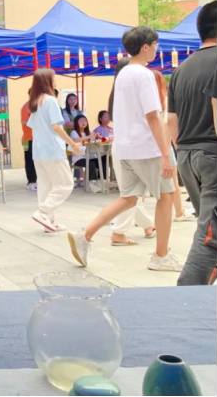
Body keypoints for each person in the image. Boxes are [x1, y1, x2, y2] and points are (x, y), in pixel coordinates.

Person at [69, 27, 181, 272]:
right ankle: (161, 256)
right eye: (155, 44)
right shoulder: (144, 75)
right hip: (146, 148)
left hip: (125, 148)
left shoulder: (123, 74)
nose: (156, 49)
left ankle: (85, 235)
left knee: (128, 198)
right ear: (145, 47)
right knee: (166, 196)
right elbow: (152, 116)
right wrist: (165, 154)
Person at [168, 0, 217, 286]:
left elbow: (171, 122)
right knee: (211, 238)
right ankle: (186, 298)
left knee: (208, 228)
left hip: (187, 155)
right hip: (211, 156)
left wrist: (184, 153)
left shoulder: (182, 69)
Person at [104, 58, 156, 246]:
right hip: (134, 147)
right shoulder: (132, 92)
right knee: (131, 195)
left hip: (122, 146)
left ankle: (148, 225)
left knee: (131, 193)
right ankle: (119, 232)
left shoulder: (116, 94)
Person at [28, 68, 83, 233]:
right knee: (66, 184)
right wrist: (72, 144)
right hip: (52, 150)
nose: (56, 81)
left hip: (39, 151)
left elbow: (32, 126)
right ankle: (43, 212)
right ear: (47, 81)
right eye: (54, 78)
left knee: (46, 186)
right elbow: (57, 127)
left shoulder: (35, 103)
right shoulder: (50, 101)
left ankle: (48, 221)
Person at [151, 70, 194, 224]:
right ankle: (179, 212)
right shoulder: (165, 100)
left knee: (142, 184)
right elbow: (168, 123)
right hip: (164, 145)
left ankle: (140, 214)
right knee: (173, 180)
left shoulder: (147, 100)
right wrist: (174, 145)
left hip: (150, 145)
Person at [69, 115, 106, 194]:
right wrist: (89, 136)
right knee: (91, 163)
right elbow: (76, 140)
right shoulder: (74, 132)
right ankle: (91, 184)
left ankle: (101, 181)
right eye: (81, 121)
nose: (83, 122)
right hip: (79, 158)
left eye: (85, 121)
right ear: (76, 123)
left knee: (103, 160)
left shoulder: (90, 132)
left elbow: (97, 141)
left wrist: (98, 137)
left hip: (91, 156)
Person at [22, 93, 37, 191]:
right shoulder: (26, 107)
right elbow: (24, 122)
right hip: (28, 139)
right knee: (30, 161)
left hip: (38, 138)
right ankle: (31, 182)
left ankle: (37, 181)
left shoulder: (39, 106)